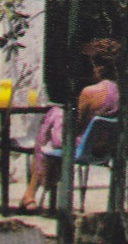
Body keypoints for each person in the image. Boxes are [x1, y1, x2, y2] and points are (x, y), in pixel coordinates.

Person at [18, 38, 120, 211]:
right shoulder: (120, 93)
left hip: (82, 146)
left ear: (99, 67)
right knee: (52, 130)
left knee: (50, 122)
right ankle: (40, 189)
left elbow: (74, 125)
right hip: (103, 148)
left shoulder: (90, 92)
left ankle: (31, 194)